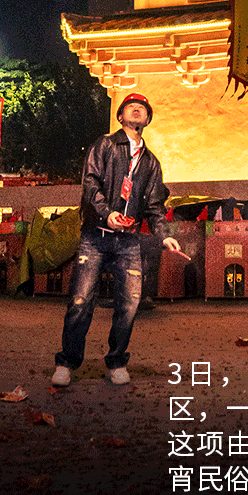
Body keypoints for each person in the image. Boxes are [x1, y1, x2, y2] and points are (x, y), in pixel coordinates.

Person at [52, 94, 182, 387]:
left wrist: (165, 236)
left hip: (128, 241)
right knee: (81, 301)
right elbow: (90, 182)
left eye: (143, 108)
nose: (137, 109)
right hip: (95, 236)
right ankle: (66, 363)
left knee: (129, 305)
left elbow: (154, 205)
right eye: (130, 106)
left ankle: (117, 362)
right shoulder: (105, 145)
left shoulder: (150, 162)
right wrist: (106, 213)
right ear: (120, 117)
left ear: (148, 119)